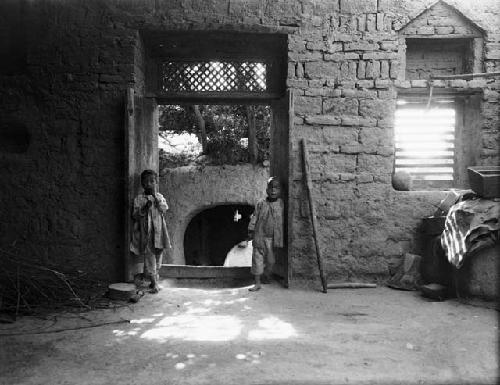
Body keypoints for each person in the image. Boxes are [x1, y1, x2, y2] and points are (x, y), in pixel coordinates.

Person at [130, 169, 171, 293]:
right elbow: (135, 215)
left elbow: (164, 209)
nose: (149, 184)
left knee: (159, 254)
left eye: (152, 181)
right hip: (146, 233)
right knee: (149, 255)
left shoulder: (159, 197)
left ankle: (155, 278)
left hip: (159, 232)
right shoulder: (139, 199)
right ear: (142, 184)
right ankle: (154, 283)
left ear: (156, 183)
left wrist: (155, 198)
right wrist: (145, 207)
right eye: (146, 182)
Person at [247, 177, 284, 292]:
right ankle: (257, 283)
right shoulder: (260, 203)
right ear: (267, 190)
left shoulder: (281, 204)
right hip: (260, 236)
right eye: (271, 187)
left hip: (272, 239)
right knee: (257, 259)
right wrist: (251, 230)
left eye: (276, 188)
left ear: (280, 190)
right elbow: (255, 217)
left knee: (271, 261)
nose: (273, 190)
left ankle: (266, 276)